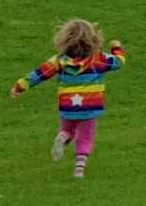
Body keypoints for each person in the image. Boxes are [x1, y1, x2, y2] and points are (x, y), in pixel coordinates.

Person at [13, 19, 128, 179]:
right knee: (86, 138)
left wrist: (20, 86)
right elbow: (119, 62)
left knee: (68, 130)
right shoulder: (98, 59)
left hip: (68, 106)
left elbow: (40, 73)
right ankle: (79, 169)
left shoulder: (59, 61)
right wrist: (117, 47)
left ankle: (63, 136)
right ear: (93, 39)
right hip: (90, 108)